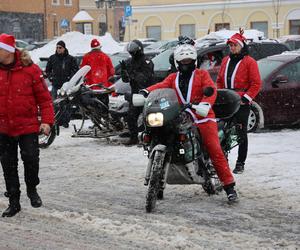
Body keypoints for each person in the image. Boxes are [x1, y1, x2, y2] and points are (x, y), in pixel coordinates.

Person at [142, 44, 238, 203]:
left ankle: (229, 186)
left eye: (189, 61)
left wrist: (206, 104)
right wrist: (146, 91)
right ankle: (158, 181)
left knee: (214, 148)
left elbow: (211, 90)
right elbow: (162, 86)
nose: (186, 64)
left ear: (194, 61)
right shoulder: (173, 77)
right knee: (161, 133)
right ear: (177, 63)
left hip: (202, 116)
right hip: (180, 115)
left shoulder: (202, 75)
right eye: (183, 61)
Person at [0, 33, 55, 217]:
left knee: (31, 159)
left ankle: (32, 189)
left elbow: (45, 100)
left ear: (8, 51)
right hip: (3, 127)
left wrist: (47, 121)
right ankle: (14, 201)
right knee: (8, 166)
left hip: (28, 126)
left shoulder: (30, 70)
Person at [216, 32, 261, 174]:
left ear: (241, 46)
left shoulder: (250, 62)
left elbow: (256, 83)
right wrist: (218, 93)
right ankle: (223, 160)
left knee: (241, 132)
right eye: (230, 45)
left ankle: (240, 163)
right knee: (221, 130)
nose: (232, 48)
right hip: (226, 100)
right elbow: (219, 80)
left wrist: (245, 98)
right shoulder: (225, 60)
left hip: (241, 101)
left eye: (235, 45)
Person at [120, 39, 154, 145]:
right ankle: (133, 137)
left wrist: (132, 74)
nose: (132, 54)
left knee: (150, 117)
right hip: (135, 93)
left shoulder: (147, 61)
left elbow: (145, 77)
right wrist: (124, 72)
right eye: (131, 52)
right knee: (131, 116)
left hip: (147, 93)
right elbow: (125, 80)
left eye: (134, 51)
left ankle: (151, 138)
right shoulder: (129, 62)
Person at [80, 38, 115, 114]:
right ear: (99, 47)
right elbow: (111, 71)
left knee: (94, 107)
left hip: (92, 87)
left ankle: (96, 122)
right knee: (104, 106)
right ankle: (105, 120)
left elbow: (82, 71)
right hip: (103, 87)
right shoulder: (105, 56)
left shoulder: (86, 57)